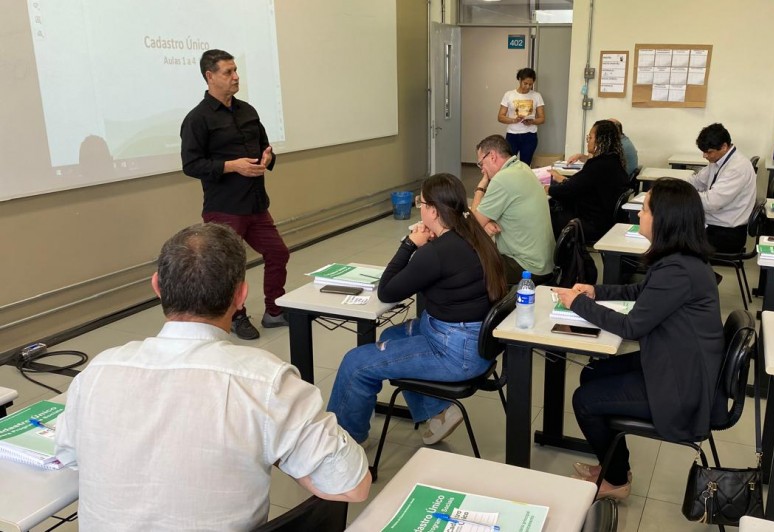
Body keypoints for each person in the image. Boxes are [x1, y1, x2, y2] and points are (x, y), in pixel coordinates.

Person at [54, 223, 371, 531]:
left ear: (157, 287)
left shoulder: (96, 373)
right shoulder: (266, 382)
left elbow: (69, 458)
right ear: (241, 296)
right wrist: (274, 446)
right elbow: (352, 486)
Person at [552, 178, 725, 500]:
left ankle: (616, 480)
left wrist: (579, 304)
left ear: (664, 219)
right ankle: (614, 464)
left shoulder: (678, 269)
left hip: (681, 382)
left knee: (585, 401)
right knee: (592, 372)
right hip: (674, 360)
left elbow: (632, 327)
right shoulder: (678, 260)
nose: (639, 214)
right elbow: (643, 293)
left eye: (645, 209)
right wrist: (597, 291)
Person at [327, 174, 507, 446]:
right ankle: (437, 413)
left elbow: (386, 290)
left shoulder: (435, 253)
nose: (418, 207)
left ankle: (344, 445)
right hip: (476, 341)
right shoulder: (474, 235)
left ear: (433, 210)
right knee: (391, 335)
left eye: (420, 202)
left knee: (355, 363)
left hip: (454, 351)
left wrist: (410, 243)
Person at [180, 49, 290, 341]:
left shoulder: (248, 111)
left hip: (255, 203)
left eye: (236, 70)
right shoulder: (197, 119)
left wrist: (267, 158)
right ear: (210, 76)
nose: (235, 76)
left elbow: (265, 146)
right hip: (224, 207)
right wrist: (232, 166)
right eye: (228, 72)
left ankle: (274, 311)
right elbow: (191, 165)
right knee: (230, 266)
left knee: (278, 253)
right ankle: (237, 316)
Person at [472, 135, 555, 284]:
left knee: (464, 266)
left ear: (492, 156)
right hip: (544, 263)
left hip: (526, 268)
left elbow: (473, 223)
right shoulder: (522, 167)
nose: (482, 170)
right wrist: (487, 221)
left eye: (481, 163)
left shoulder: (502, 179)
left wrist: (480, 186)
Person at [547, 120, 630, 242]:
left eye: (590, 137)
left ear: (600, 141)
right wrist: (562, 179)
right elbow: (580, 184)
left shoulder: (598, 165)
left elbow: (568, 190)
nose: (588, 141)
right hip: (605, 220)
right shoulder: (613, 161)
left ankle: (553, 254)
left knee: (548, 213)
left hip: (592, 224)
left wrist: (547, 188)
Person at [687, 123, 757, 253]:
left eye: (709, 152)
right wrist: (673, 188)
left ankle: (696, 272)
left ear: (724, 146)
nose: (705, 156)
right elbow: (697, 181)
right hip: (715, 223)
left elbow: (711, 202)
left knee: (674, 240)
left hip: (727, 234)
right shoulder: (719, 160)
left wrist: (681, 196)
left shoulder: (737, 167)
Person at [498, 67, 545, 166]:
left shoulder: (537, 96)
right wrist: (513, 120)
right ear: (519, 80)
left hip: (529, 135)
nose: (528, 87)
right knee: (509, 165)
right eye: (525, 83)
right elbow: (500, 117)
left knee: (525, 165)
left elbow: (542, 119)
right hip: (512, 135)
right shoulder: (509, 95)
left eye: (530, 84)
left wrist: (532, 121)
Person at [566, 118, 639, 177]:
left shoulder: (618, 146)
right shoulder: (621, 142)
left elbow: (595, 166)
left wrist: (592, 151)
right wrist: (580, 156)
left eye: (590, 138)